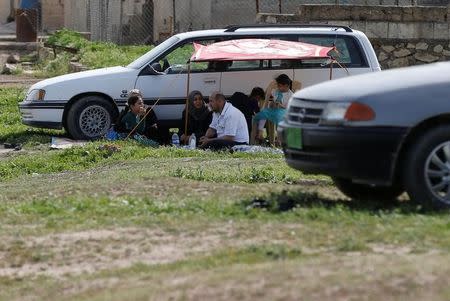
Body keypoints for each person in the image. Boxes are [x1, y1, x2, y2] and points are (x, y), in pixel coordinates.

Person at [251, 74, 294, 144]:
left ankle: (279, 139)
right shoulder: (276, 91)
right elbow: (270, 98)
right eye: (278, 86)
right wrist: (272, 104)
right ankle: (260, 133)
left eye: (280, 86)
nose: (278, 88)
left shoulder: (291, 95)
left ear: (287, 86)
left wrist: (281, 106)